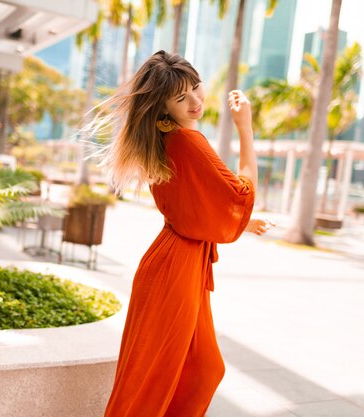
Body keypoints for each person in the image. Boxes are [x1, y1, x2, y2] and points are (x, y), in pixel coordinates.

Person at [96, 50, 273, 417]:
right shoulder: (188, 142)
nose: (195, 101)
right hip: (176, 268)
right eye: (181, 97)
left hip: (179, 261)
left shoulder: (173, 141)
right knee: (154, 379)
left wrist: (243, 219)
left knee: (200, 370)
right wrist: (245, 128)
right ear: (162, 113)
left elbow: (196, 203)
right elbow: (241, 195)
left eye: (196, 88)